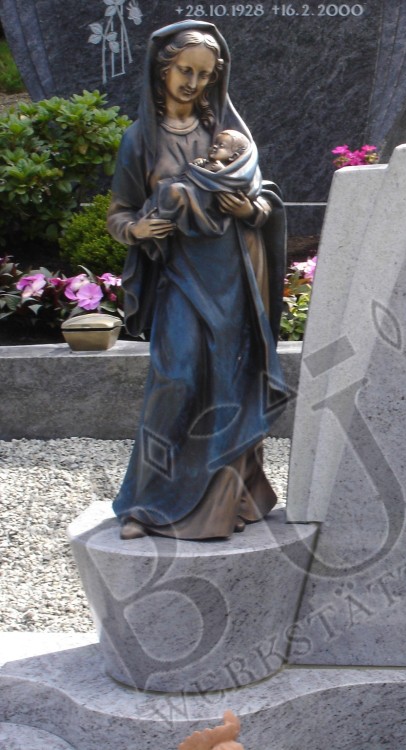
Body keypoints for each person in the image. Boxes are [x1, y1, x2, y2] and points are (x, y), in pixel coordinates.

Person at [107, 21, 289, 540]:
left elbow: (264, 198)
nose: (192, 82)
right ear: (163, 70)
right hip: (181, 276)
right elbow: (119, 212)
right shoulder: (141, 139)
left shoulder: (226, 135)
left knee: (229, 382)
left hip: (234, 276)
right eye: (185, 70)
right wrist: (137, 228)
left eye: (204, 75)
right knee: (177, 377)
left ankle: (225, 503)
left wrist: (250, 210)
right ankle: (147, 502)